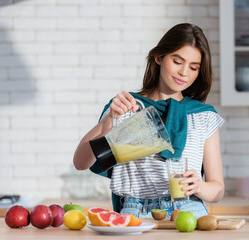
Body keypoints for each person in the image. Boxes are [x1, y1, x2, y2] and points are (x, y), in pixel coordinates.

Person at [73, 23, 225, 219]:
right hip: (136, 212)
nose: (184, 73)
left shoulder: (203, 116)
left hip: (189, 209)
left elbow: (217, 189)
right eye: (177, 61)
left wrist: (199, 186)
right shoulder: (126, 107)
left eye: (194, 67)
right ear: (159, 57)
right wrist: (107, 123)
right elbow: (80, 162)